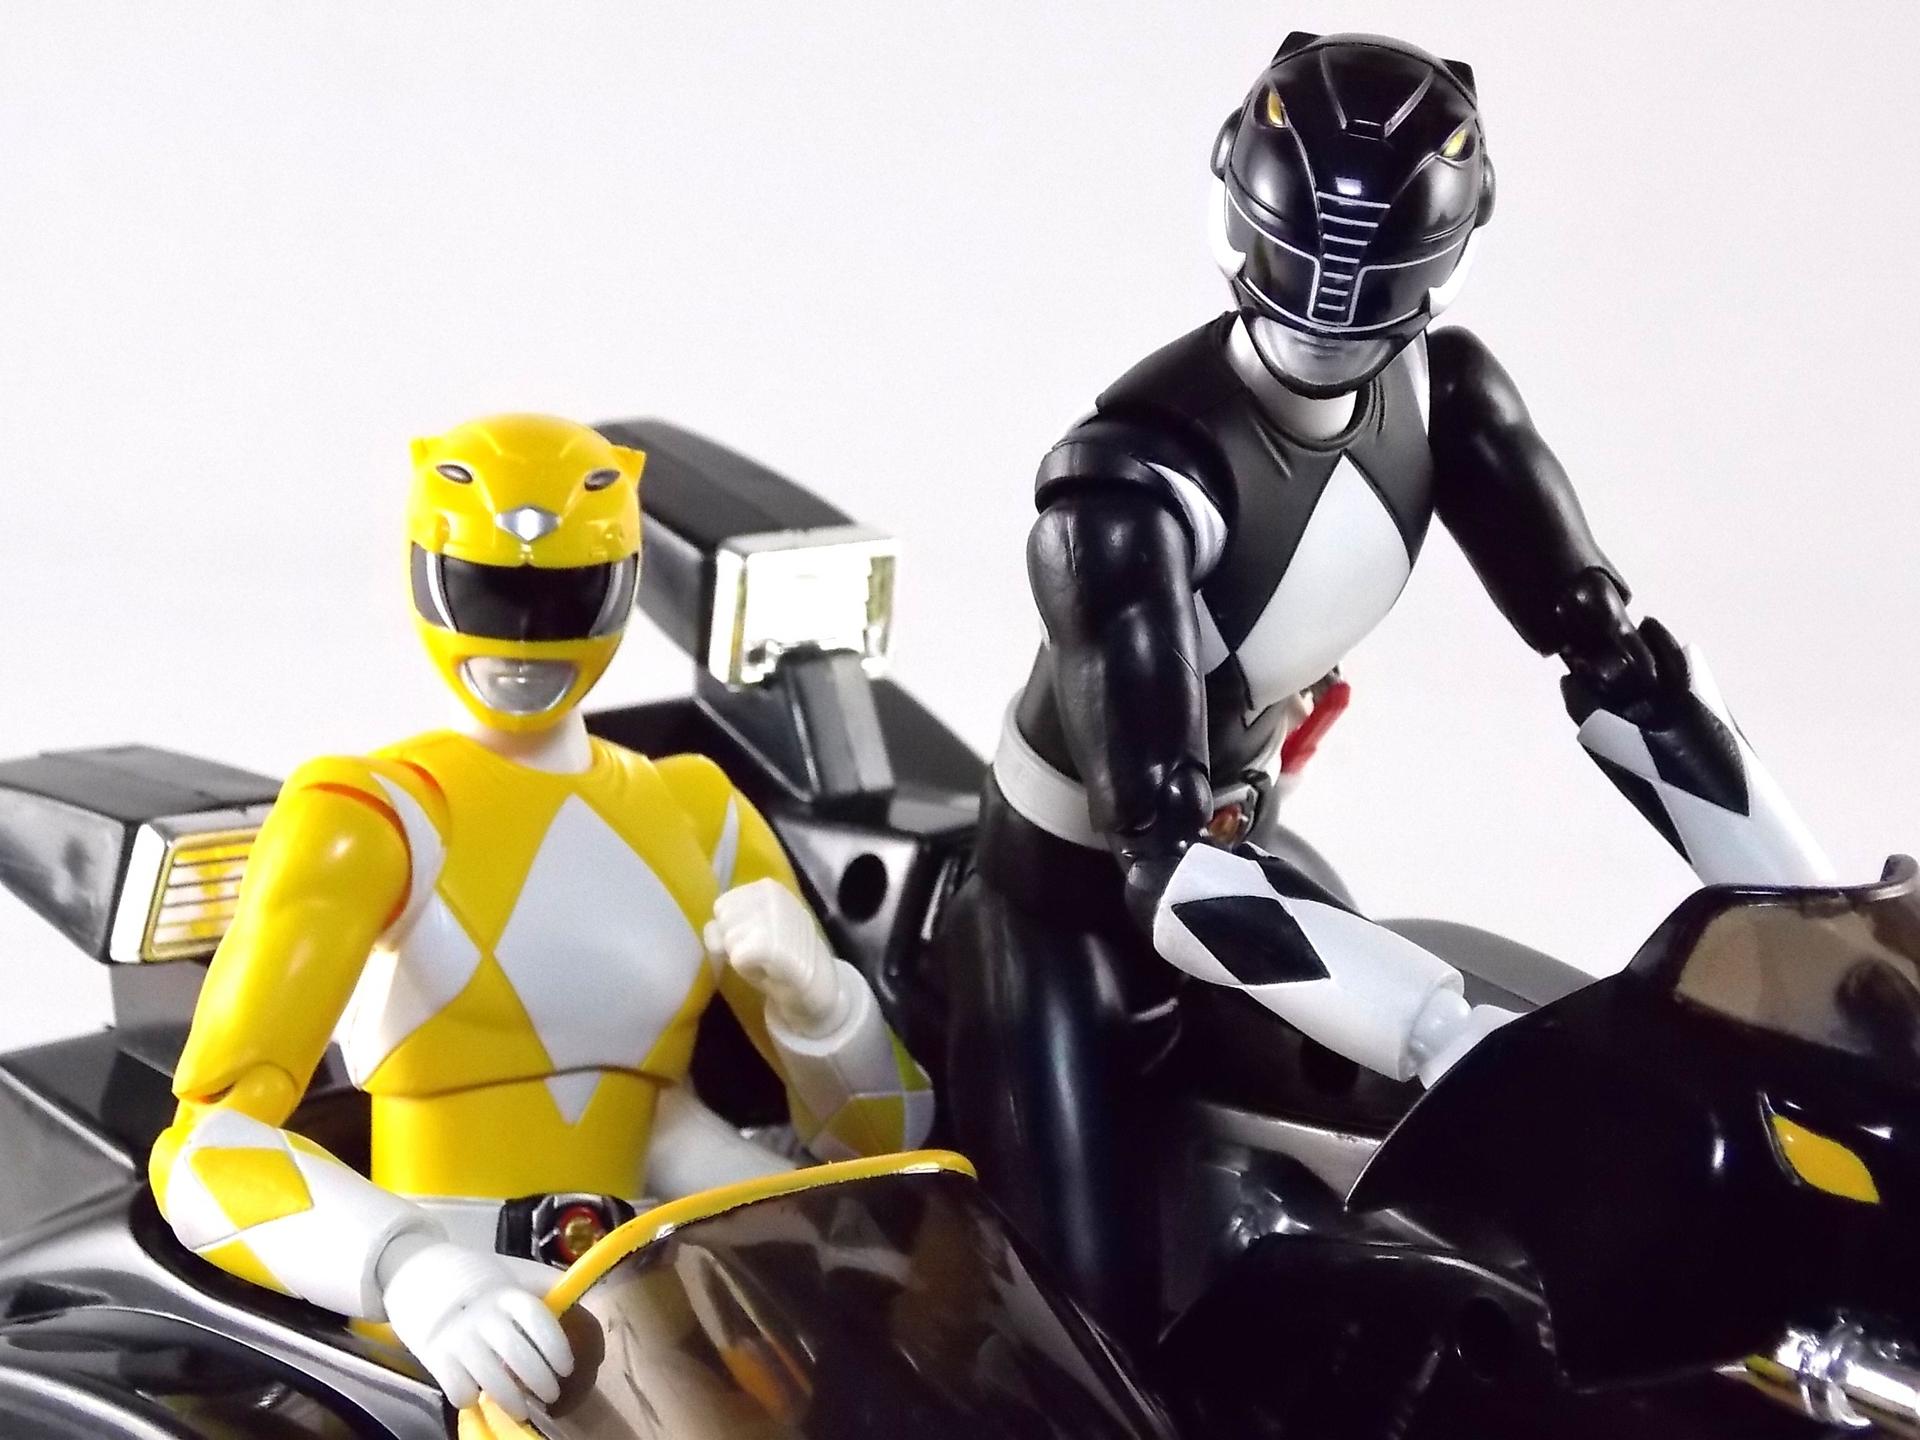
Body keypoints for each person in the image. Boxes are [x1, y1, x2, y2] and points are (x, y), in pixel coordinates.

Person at [938, 32, 1831, 1342]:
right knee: (1082, 1341)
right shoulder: (1127, 485)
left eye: (1360, 281)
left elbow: (1621, 670)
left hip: (1241, 858)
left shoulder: (1443, 394)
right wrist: (1444, 1035)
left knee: (1430, 1217)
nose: (1324, 312)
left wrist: (1823, 933)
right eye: (1305, 268)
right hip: (1065, 922)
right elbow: (1161, 863)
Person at [150, 414, 933, 1419]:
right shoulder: (368, 816)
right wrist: (410, 1271)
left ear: (622, 582)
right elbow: (203, 1148)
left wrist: (826, 1014)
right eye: (484, 592)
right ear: (425, 575)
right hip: (456, 1339)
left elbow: (886, 1154)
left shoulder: (698, 813)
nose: (520, 640)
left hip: (671, 1318)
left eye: (564, 598)